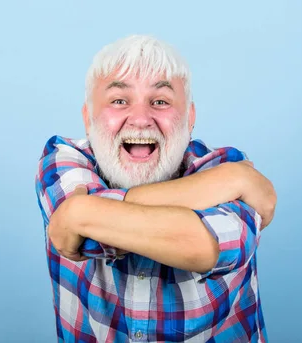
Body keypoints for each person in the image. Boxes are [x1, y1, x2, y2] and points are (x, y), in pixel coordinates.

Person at [35, 34, 277, 343]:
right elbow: (85, 238)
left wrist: (82, 212)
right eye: (119, 100)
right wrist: (230, 182)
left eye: (160, 102)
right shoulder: (62, 158)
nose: (139, 119)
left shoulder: (224, 164)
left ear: (189, 117)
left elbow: (204, 247)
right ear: (87, 117)